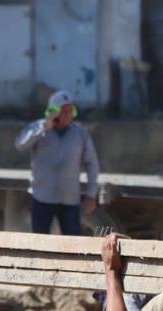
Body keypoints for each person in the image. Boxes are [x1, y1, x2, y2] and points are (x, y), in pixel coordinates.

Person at [14, 90, 99, 235]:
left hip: (69, 199)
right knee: (40, 242)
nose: (67, 114)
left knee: (72, 244)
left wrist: (91, 194)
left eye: (70, 110)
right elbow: (20, 145)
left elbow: (92, 163)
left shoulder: (80, 134)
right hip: (42, 197)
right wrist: (43, 129)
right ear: (53, 112)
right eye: (63, 111)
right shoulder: (38, 128)